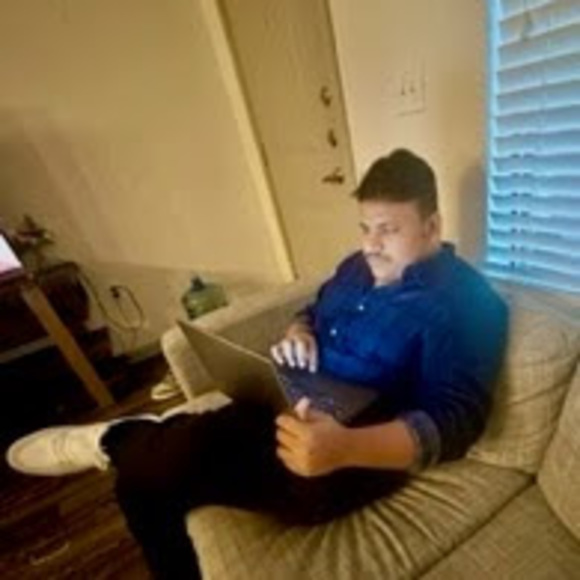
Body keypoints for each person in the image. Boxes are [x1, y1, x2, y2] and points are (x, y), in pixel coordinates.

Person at [6, 149, 508, 579]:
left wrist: (344, 447)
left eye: (388, 230)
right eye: (364, 228)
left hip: (347, 454)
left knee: (151, 472)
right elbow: (313, 309)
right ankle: (131, 442)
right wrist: (299, 332)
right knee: (151, 476)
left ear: (432, 226)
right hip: (286, 401)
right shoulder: (356, 267)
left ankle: (114, 439)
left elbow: (457, 422)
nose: (370, 244)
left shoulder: (468, 303)